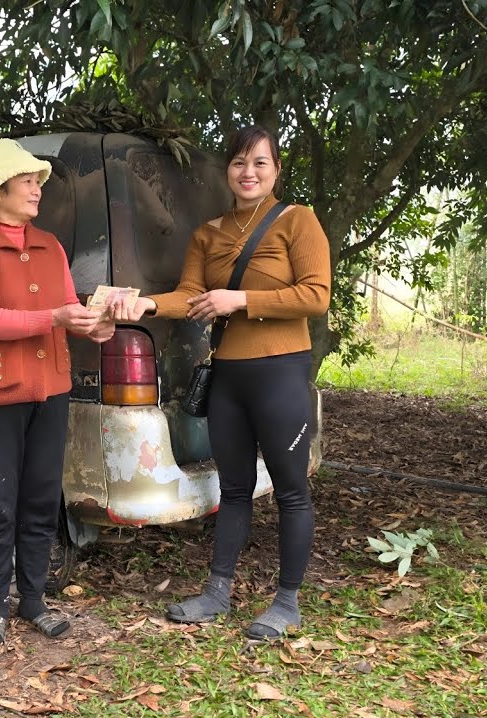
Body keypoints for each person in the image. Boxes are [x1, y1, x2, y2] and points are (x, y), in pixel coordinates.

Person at [107, 125, 331, 642]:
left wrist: (241, 300)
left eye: (259, 162)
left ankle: (287, 603)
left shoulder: (297, 221)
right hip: (228, 377)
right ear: (227, 170)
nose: (248, 172)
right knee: (233, 488)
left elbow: (315, 295)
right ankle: (217, 592)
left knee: (291, 490)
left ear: (276, 170)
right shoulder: (208, 234)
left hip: (281, 373)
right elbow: (189, 294)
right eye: (238, 162)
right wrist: (146, 304)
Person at [0, 138, 113, 647]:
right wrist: (56, 317)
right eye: (26, 181)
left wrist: (95, 324)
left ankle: (34, 599)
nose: (37, 189)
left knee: (42, 498)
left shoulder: (49, 245)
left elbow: (67, 308)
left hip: (51, 390)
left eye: (38, 181)